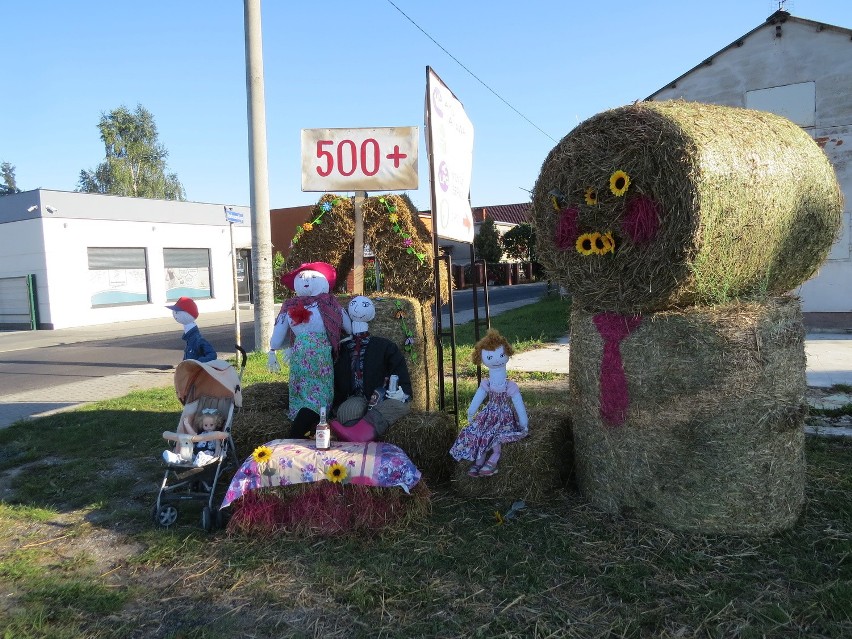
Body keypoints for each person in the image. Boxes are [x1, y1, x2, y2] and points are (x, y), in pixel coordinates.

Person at [267, 262, 351, 438]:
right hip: (300, 356)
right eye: (303, 278)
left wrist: (355, 330)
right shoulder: (290, 305)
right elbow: (280, 329)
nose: (307, 282)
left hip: (322, 355)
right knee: (300, 388)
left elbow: (344, 322)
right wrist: (272, 349)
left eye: (313, 278)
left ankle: (310, 424)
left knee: (321, 389)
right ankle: (303, 421)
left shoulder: (329, 303)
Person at [329, 296, 412, 442]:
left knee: (398, 407)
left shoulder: (385, 347)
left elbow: (401, 378)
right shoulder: (341, 349)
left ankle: (359, 435)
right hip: (355, 397)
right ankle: (357, 439)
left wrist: (397, 392)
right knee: (348, 410)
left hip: (384, 398)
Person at [450, 329, 529, 477]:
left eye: (501, 355)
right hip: (489, 413)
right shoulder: (487, 383)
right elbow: (478, 397)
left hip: (503, 416)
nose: (497, 360)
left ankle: (494, 458)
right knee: (480, 432)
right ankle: (479, 462)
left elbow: (518, 404)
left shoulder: (509, 386)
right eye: (490, 357)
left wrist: (524, 422)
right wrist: (471, 412)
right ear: (482, 357)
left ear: (507, 353)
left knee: (496, 434)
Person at [166, 296, 217, 362]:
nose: (174, 314)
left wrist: (197, 363)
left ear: (188, 313)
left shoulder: (197, 339)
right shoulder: (189, 337)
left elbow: (212, 355)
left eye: (177, 312)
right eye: (174, 311)